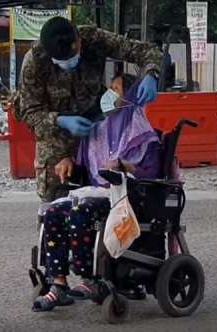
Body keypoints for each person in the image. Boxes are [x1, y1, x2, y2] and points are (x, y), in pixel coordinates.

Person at [32, 74, 163, 312]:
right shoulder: (98, 129)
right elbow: (82, 162)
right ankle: (58, 283)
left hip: (124, 194)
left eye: (116, 89)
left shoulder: (143, 135)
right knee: (53, 212)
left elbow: (151, 172)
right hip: (95, 192)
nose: (109, 94)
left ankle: (89, 280)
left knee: (80, 212)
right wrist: (67, 160)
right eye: (109, 88)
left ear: (130, 97)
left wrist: (124, 165)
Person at [17, 16, 162, 205]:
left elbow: (146, 51)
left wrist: (152, 74)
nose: (69, 63)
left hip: (96, 132)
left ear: (78, 40)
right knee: (56, 205)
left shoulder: (94, 39)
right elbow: (28, 111)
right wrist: (59, 120)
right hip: (56, 142)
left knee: (103, 202)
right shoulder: (35, 60)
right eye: (61, 61)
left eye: (73, 53)